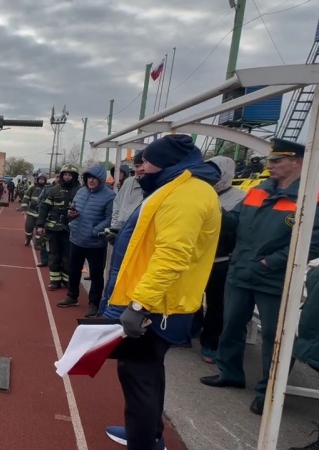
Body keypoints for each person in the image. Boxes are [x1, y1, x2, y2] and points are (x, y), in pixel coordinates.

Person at [101, 135, 221, 450]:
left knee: (138, 375)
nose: (140, 168)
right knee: (149, 372)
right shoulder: (178, 188)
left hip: (157, 306)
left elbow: (172, 256)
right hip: (158, 302)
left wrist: (139, 305)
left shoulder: (187, 194)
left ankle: (145, 442)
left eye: (147, 162)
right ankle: (149, 434)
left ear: (167, 162)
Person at [200, 139, 319, 416]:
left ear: (297, 162)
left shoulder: (310, 197)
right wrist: (213, 211)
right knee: (230, 325)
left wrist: (270, 262)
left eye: (278, 161)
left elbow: (311, 240)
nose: (271, 165)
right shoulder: (258, 191)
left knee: (274, 339)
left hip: (275, 279)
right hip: (240, 271)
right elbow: (234, 221)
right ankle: (229, 372)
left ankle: (269, 391)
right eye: (270, 160)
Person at [193, 156, 246, 364]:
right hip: (196, 257)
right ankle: (191, 330)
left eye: (215, 173)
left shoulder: (239, 197)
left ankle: (210, 343)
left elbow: (234, 227)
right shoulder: (199, 193)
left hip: (221, 260)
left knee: (217, 305)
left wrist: (215, 208)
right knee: (192, 298)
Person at [58, 164, 115, 318]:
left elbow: (110, 219)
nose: (91, 180)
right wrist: (71, 214)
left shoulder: (109, 196)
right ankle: (72, 296)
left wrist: (94, 231)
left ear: (101, 180)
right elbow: (73, 208)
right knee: (74, 270)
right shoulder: (81, 192)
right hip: (76, 238)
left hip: (95, 243)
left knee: (96, 274)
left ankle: (94, 303)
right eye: (88, 177)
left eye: (94, 178)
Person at [36, 164, 81, 290]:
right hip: (54, 229)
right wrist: (40, 223)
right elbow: (45, 207)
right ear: (61, 176)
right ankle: (54, 281)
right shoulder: (54, 190)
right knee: (54, 255)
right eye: (65, 174)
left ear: (74, 176)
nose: (67, 177)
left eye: (69, 175)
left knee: (68, 257)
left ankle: (67, 280)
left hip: (71, 230)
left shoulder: (80, 191)